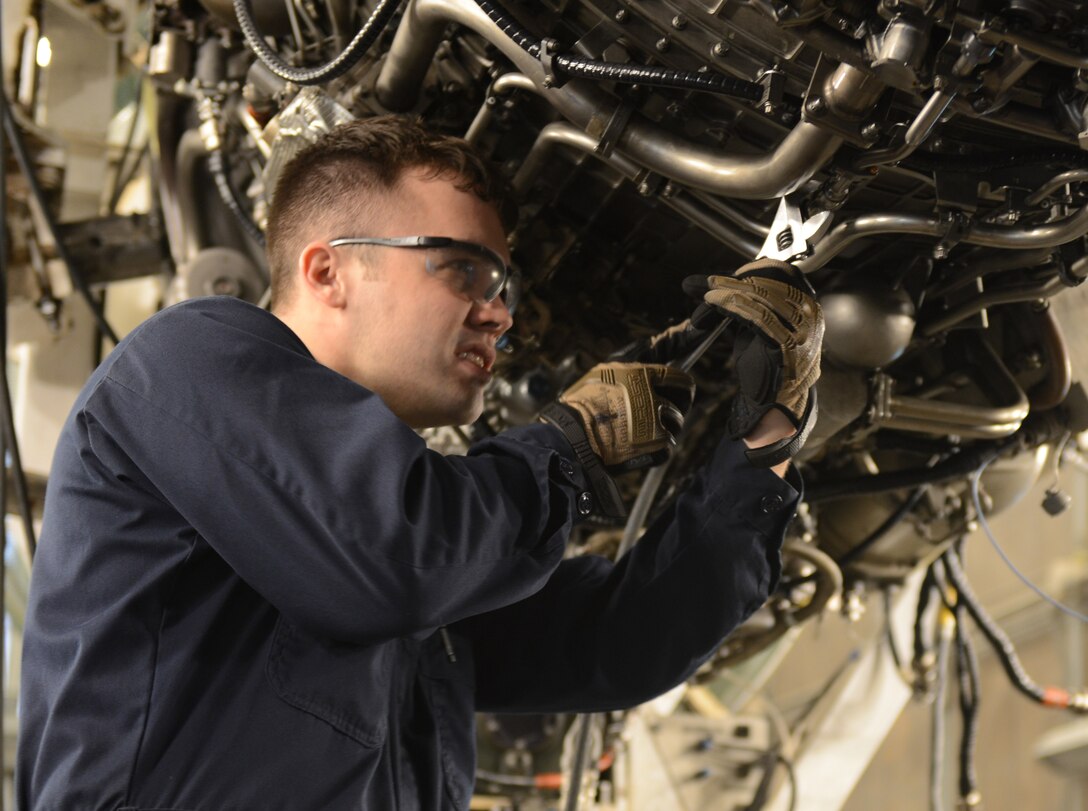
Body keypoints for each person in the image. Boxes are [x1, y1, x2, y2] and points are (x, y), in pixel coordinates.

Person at [16, 115, 821, 809]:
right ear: (327, 270)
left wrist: (765, 439)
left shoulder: (422, 542)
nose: (501, 313)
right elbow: (394, 556)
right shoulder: (189, 357)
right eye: (462, 268)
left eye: (502, 282)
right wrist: (572, 442)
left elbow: (623, 639)